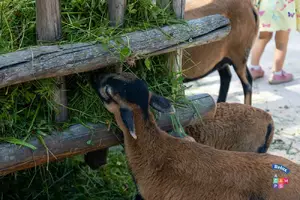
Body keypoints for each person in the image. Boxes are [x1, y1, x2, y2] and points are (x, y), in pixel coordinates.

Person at [249, 0, 299, 84]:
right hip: (284, 8)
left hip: (265, 7)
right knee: (281, 43)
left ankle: (254, 68)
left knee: (262, 37)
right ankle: (277, 73)